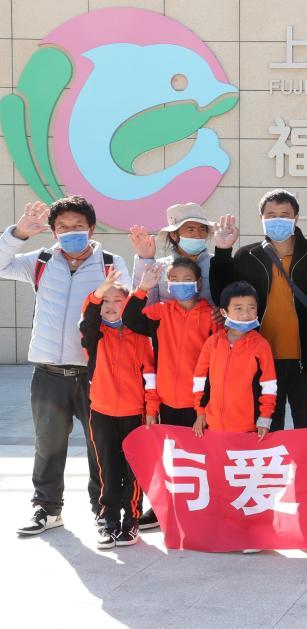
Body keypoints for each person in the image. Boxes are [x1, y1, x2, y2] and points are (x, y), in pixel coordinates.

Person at [3, 197, 130, 537]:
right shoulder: (41, 261)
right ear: (53, 231)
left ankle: (103, 512)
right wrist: (18, 234)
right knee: (48, 445)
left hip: (95, 374)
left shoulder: (110, 263)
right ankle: (47, 509)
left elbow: (126, 309)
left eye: (78, 226)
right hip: (48, 373)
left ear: (91, 228)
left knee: (99, 446)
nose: (71, 232)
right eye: (63, 227)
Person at [210, 189, 307, 431]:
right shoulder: (247, 256)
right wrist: (223, 251)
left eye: (284, 214)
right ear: (261, 218)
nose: (277, 219)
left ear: (296, 218)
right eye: (271, 214)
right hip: (260, 359)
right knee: (266, 430)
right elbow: (223, 296)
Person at [122, 258, 218, 530]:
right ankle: (163, 507)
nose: (180, 284)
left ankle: (199, 509)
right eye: (174, 279)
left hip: (197, 405)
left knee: (198, 458)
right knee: (169, 458)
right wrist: (143, 289)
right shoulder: (161, 312)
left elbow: (217, 365)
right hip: (166, 401)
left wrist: (204, 408)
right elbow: (130, 319)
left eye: (187, 279)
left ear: (199, 283)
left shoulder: (211, 317)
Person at [79, 270, 159, 550]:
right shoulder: (95, 335)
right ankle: (109, 520)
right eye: (106, 301)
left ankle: (131, 520)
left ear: (128, 305)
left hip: (134, 414)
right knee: (107, 469)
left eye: (118, 301)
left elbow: (150, 378)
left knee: (132, 470)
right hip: (101, 412)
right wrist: (98, 293)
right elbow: (88, 315)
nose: (111, 306)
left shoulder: (139, 338)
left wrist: (151, 410)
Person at [192, 281, 277, 440]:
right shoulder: (212, 343)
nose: (246, 314)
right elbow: (200, 380)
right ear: (224, 312)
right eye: (238, 308)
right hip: (213, 426)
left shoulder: (261, 346)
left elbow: (269, 386)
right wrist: (200, 412)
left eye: (251, 307)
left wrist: (265, 418)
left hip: (248, 429)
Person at [128, 203, 216, 305]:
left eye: (202, 229)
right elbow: (145, 306)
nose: (198, 234)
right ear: (174, 235)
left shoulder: (217, 263)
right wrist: (145, 259)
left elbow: (228, 302)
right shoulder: (160, 267)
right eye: (190, 229)